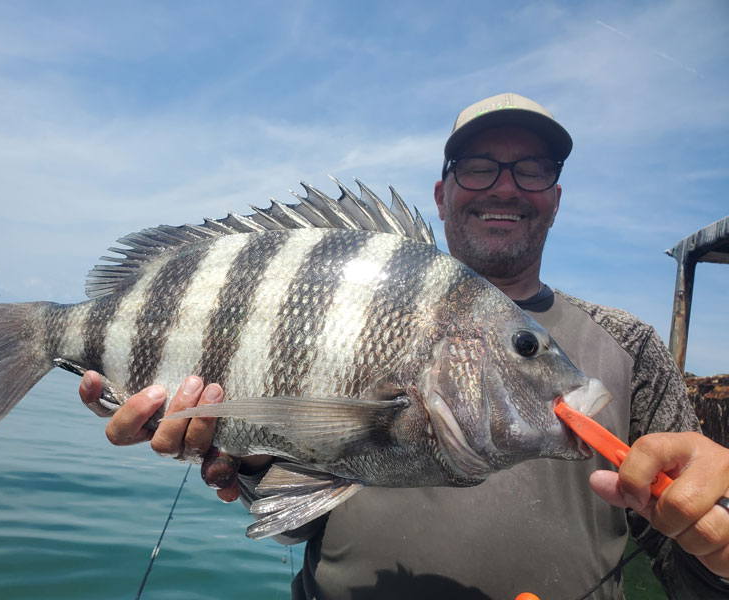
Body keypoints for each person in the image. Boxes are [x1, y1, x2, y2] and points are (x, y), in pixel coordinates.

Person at [79, 93, 729, 599]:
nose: (505, 185)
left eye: (531, 169)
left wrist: (721, 546)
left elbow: (683, 564)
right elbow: (296, 512)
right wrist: (242, 462)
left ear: (555, 199)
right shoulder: (374, 284)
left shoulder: (630, 347)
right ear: (443, 194)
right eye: (479, 166)